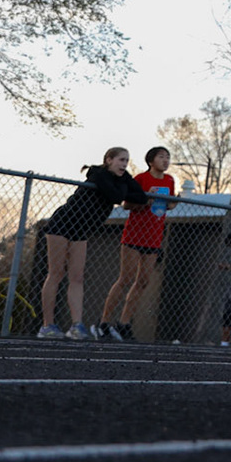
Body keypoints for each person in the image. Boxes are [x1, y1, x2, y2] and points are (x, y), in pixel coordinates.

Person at [37, 148, 148, 340]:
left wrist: (123, 187)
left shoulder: (122, 178)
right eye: (121, 160)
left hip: (82, 230)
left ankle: (76, 325)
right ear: (109, 160)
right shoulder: (99, 174)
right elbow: (115, 197)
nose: (124, 164)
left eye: (127, 161)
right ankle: (47, 325)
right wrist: (124, 188)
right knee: (56, 273)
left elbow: (141, 197)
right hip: (62, 224)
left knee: (77, 277)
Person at [95, 146, 174, 341]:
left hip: (154, 237)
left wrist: (173, 202)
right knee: (126, 279)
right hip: (134, 235)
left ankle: (124, 323)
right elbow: (127, 205)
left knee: (143, 281)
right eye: (161, 157)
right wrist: (146, 198)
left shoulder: (170, 180)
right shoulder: (140, 179)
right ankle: (104, 322)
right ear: (151, 161)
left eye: (168, 157)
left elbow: (169, 204)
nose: (165, 160)